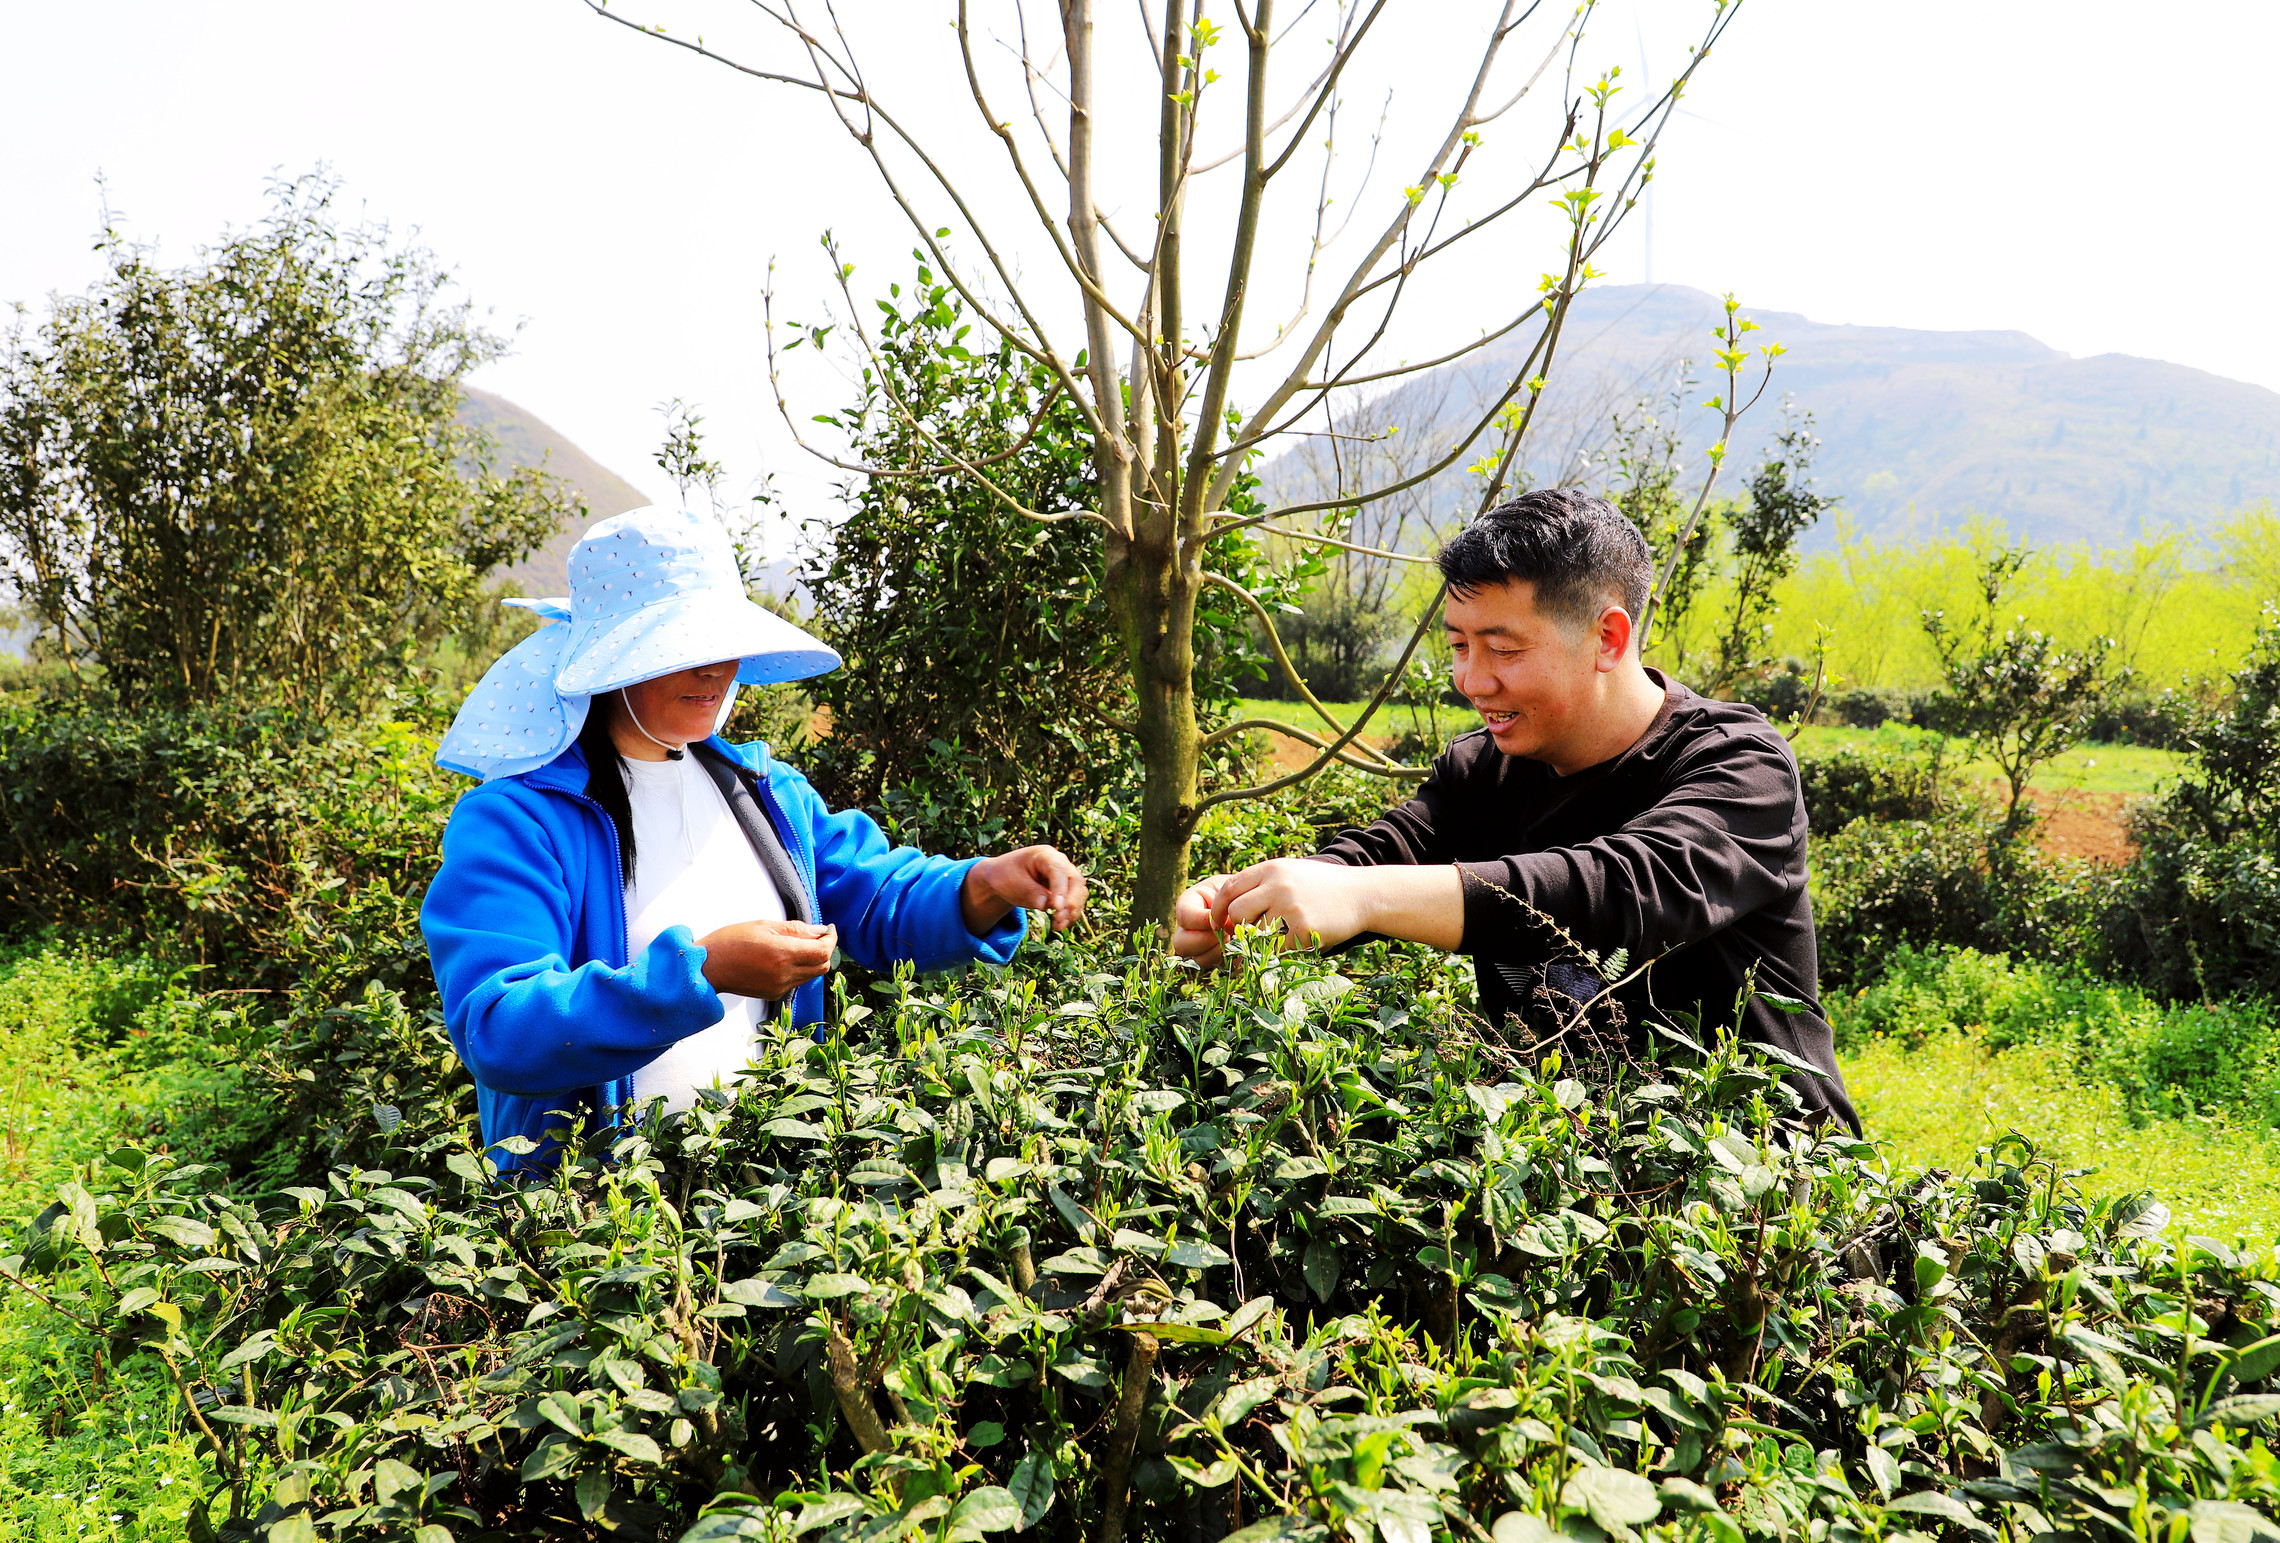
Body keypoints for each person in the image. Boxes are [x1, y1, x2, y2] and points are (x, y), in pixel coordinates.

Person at [1169, 488, 1857, 1132]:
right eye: (1460, 647)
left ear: (1608, 639)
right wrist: (1253, 903)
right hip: (1574, 1187)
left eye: (1503, 648)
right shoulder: (1483, 772)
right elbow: (1385, 855)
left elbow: (1617, 890)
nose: (1473, 680)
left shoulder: (1739, 766)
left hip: (1773, 1193)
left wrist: (1359, 894)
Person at [422, 506, 1085, 1165]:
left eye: (719, 642)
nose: (713, 669)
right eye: (679, 649)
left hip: (764, 1190)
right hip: (592, 1225)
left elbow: (875, 896)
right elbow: (500, 1025)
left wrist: (985, 883)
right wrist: (701, 974)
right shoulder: (519, 820)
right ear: (608, 661)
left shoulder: (763, 793)